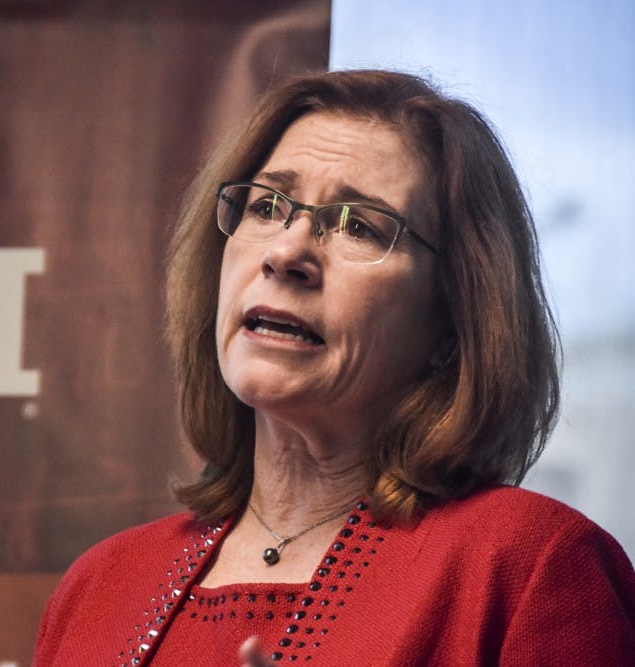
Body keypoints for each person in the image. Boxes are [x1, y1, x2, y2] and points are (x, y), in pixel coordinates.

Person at [32, 69, 635, 665]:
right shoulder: (99, 587)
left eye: (360, 226)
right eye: (268, 204)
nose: (286, 251)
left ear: (454, 318)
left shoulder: (532, 565)